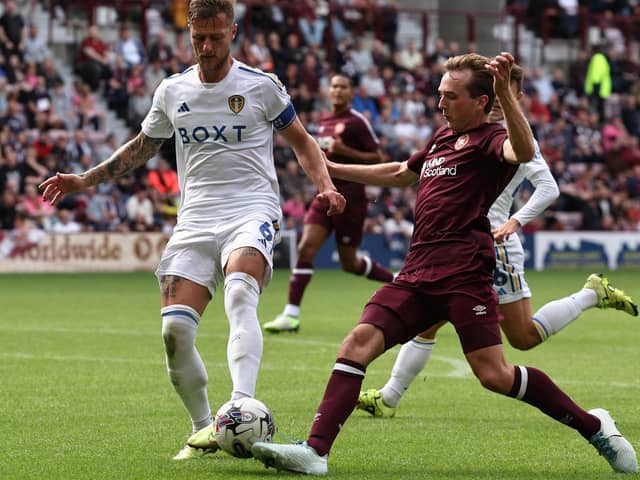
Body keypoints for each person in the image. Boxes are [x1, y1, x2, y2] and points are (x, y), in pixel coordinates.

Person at [249, 53, 638, 475]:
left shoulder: (492, 140)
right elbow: (401, 172)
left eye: (450, 97)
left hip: (464, 275)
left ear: (480, 101)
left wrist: (507, 95)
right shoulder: (440, 138)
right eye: (439, 95)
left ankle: (595, 425)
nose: (440, 104)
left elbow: (523, 150)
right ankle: (315, 452)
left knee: (494, 374)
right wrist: (330, 167)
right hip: (418, 272)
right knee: (356, 344)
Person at [39, 0, 345, 461]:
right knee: (174, 334)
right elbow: (143, 146)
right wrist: (85, 179)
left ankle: (241, 404)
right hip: (195, 219)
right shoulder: (172, 90)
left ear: (233, 32)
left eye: (215, 37)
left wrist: (324, 185)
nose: (205, 47)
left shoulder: (261, 87)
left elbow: (302, 141)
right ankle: (205, 430)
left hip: (251, 209)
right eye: (197, 38)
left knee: (240, 293)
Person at [357, 64, 639, 419]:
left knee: (522, 338)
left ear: (514, 97)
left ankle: (590, 294)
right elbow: (404, 174)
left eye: (505, 90)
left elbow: (549, 187)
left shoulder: (513, 139)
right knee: (427, 321)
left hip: (494, 245)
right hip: (456, 246)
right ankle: (389, 398)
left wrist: (514, 222)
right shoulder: (464, 132)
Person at [264, 73, 394, 333]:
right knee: (305, 248)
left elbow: (378, 157)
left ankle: (399, 281)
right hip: (324, 194)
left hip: (351, 199)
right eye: (334, 86)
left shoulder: (357, 122)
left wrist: (345, 151)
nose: (337, 91)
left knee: (350, 263)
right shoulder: (324, 121)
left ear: (351, 92)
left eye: (343, 87)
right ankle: (291, 314)